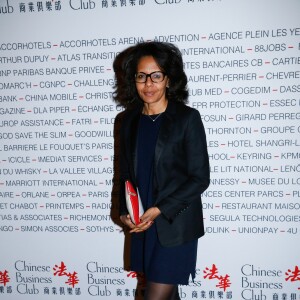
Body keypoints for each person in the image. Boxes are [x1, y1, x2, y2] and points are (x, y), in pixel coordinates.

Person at [113, 41, 210, 300]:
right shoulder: (128, 121)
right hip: (144, 226)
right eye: (141, 76)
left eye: (156, 76)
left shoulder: (187, 119)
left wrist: (159, 209)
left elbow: (199, 178)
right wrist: (125, 212)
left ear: (168, 79)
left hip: (174, 224)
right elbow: (124, 177)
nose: (149, 84)